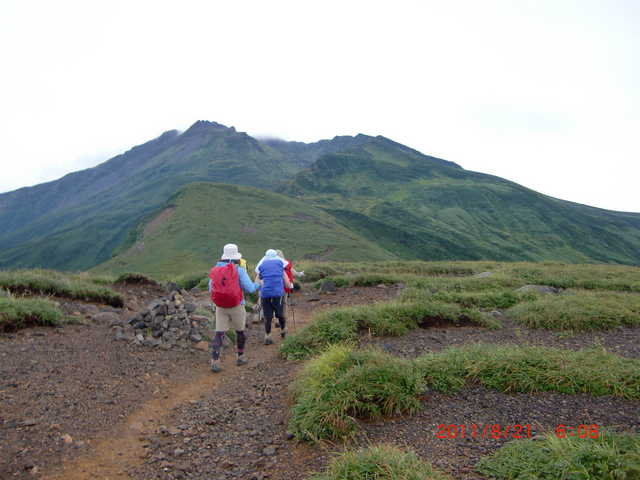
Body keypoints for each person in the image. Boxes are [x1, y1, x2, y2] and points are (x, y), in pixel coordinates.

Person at [208, 243, 260, 373]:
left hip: (220, 306)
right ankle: (240, 357)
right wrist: (259, 284)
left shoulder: (215, 269)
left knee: (219, 333)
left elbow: (210, 288)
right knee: (240, 331)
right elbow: (250, 288)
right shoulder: (239, 270)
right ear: (236, 256)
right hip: (237, 305)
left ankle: (215, 360)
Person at [255, 249, 292, 344]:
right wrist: (290, 286)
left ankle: (268, 336)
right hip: (277, 294)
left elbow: (256, 282)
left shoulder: (262, 266)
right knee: (280, 313)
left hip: (265, 294)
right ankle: (284, 331)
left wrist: (262, 285)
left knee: (268, 315)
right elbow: (287, 282)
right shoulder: (280, 265)